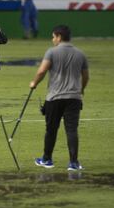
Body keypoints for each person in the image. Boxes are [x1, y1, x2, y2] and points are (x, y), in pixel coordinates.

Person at [29, 25, 89, 171]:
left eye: (53, 36)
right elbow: (86, 76)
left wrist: (34, 83)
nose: (52, 39)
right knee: (72, 130)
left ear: (59, 37)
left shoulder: (52, 52)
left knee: (51, 129)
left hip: (54, 97)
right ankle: (73, 163)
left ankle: (47, 159)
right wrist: (81, 90)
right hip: (74, 98)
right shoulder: (80, 54)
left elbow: (42, 70)